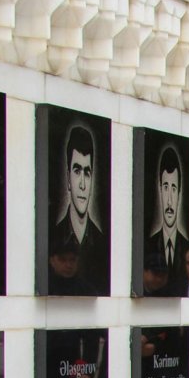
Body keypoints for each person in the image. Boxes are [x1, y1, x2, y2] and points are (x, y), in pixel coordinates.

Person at [51, 126, 108, 294]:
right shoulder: (53, 232)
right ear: (68, 177)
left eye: (87, 173)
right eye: (77, 171)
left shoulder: (102, 242)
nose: (82, 184)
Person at [146, 143, 189, 297]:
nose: (170, 200)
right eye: (165, 187)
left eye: (174, 188)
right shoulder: (150, 238)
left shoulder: (184, 240)